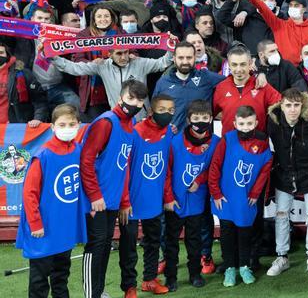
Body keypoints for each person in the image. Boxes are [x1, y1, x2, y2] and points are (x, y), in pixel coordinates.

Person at [80, 79, 148, 298]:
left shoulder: (129, 125)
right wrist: (94, 195)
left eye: (139, 100)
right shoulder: (106, 122)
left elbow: (123, 165)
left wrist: (124, 200)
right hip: (96, 198)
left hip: (112, 198)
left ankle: (98, 291)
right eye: (131, 98)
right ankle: (92, 294)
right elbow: (86, 161)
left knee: (105, 244)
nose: (135, 103)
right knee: (96, 245)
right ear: (121, 98)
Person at [16, 104, 86, 298]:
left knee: (61, 275)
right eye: (62, 124)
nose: (67, 128)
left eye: (72, 124)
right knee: (39, 280)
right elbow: (29, 193)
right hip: (44, 228)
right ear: (53, 127)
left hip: (65, 227)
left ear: (78, 125)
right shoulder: (43, 156)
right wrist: (35, 224)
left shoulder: (77, 149)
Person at [265, 89, 308, 278]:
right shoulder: (273, 122)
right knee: (281, 215)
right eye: (288, 105)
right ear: (281, 106)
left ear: (302, 106)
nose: (292, 110)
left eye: (296, 105)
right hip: (284, 176)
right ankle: (282, 257)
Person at [208, 106, 273, 287]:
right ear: (235, 123)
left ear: (256, 123)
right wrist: (216, 193)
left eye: (249, 123)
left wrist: (255, 192)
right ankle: (229, 268)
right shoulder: (227, 140)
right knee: (227, 233)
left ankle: (244, 267)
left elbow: (266, 166)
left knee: (245, 233)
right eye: (242, 123)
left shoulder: (262, 142)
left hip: (246, 199)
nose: (245, 127)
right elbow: (215, 166)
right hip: (226, 198)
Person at [119, 94, 175, 295]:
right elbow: (123, 169)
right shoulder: (135, 133)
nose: (167, 114)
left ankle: (149, 279)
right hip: (131, 202)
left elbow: (167, 167)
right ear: (151, 111)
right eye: (162, 110)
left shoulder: (168, 131)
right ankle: (130, 287)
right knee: (129, 248)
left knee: (153, 241)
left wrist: (167, 196)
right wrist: (124, 200)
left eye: (171, 111)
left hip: (154, 200)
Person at [163, 100, 217, 290]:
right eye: (196, 118)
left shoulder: (216, 142)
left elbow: (214, 168)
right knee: (171, 242)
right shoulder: (175, 142)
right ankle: (170, 278)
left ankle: (195, 274)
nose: (200, 122)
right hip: (175, 201)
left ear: (211, 119)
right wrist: (168, 197)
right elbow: (167, 171)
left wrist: (200, 180)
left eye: (204, 118)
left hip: (196, 200)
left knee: (194, 241)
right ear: (188, 120)